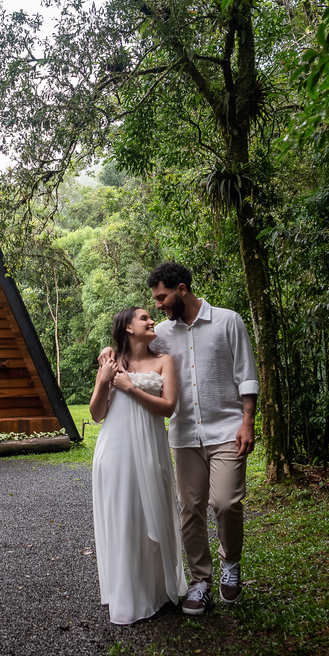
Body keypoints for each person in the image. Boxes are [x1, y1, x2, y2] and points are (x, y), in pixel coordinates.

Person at [100, 262, 259, 616]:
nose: (157, 305)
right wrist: (107, 353)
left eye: (162, 297)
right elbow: (129, 352)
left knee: (227, 503)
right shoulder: (163, 334)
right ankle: (200, 580)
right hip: (185, 435)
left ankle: (230, 563)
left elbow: (246, 375)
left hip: (226, 429)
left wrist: (248, 422)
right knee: (190, 511)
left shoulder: (228, 321)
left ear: (182, 290)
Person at [89, 307, 186, 625]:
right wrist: (105, 381)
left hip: (151, 448)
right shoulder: (110, 360)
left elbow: (169, 407)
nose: (151, 321)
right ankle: (128, 596)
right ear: (128, 327)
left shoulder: (163, 361)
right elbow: (96, 413)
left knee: (151, 511)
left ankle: (156, 590)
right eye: (144, 318)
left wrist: (130, 387)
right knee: (124, 516)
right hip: (115, 451)